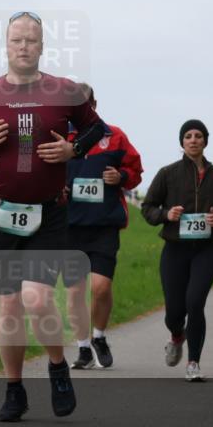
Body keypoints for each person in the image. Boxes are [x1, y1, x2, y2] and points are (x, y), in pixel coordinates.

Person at [0, 11, 107, 421]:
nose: (23, 46)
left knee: (37, 297)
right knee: (9, 306)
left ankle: (58, 366)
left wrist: (72, 150)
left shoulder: (63, 91)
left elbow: (95, 130)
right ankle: (14, 390)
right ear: (5, 45)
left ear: (42, 46)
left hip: (49, 213)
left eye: (31, 40)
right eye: (16, 40)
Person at [141, 120, 213, 382]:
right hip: (175, 250)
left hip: (205, 250)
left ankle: (194, 362)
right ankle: (176, 335)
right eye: (188, 136)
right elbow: (147, 208)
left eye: (198, 136)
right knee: (174, 311)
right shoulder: (168, 173)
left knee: (195, 303)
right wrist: (165, 214)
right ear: (182, 142)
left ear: (205, 141)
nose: (193, 140)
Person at [62, 83, 143, 369]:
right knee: (74, 293)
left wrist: (120, 176)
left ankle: (99, 336)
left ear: (94, 104)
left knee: (100, 288)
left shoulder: (115, 136)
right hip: (70, 226)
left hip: (104, 225)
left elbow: (136, 172)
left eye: (85, 104)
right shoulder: (60, 139)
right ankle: (83, 348)